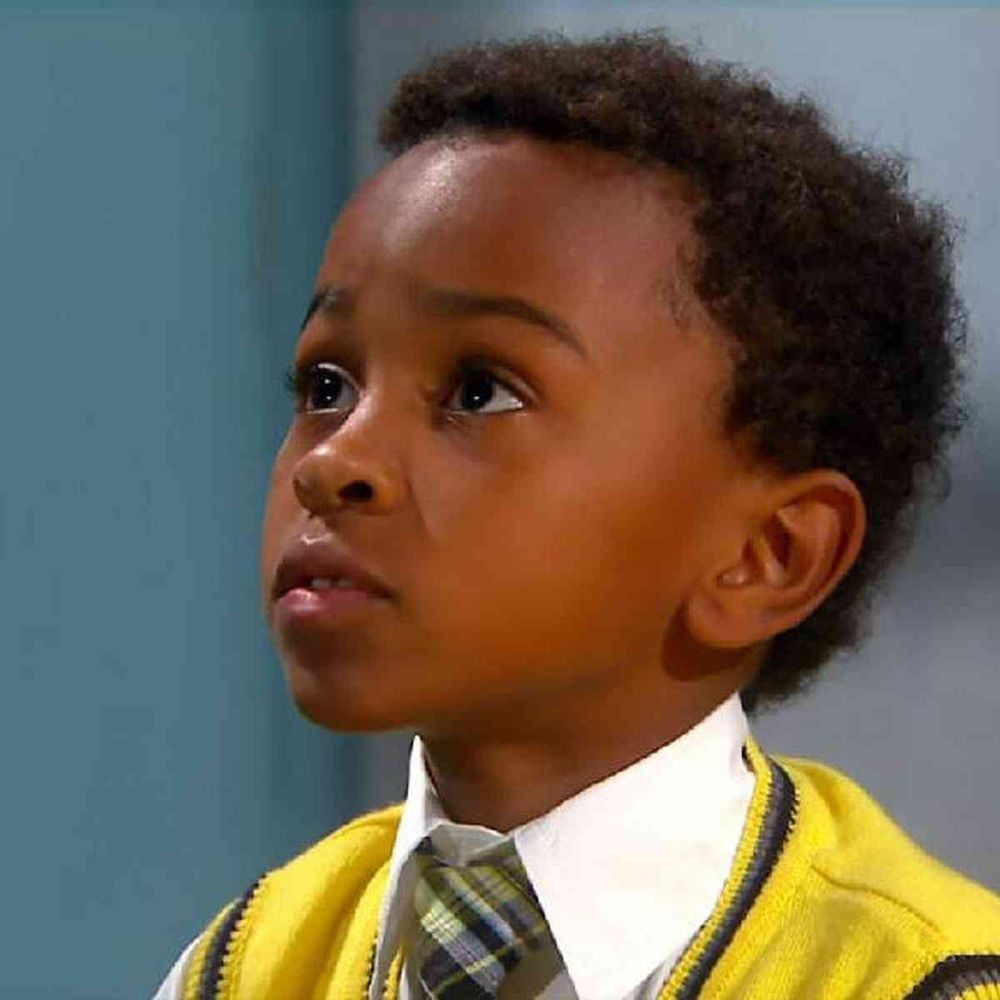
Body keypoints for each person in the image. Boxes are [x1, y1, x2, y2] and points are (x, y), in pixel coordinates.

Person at [154, 28, 1000, 1000]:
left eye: (480, 391)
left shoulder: (921, 981)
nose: (333, 461)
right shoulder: (245, 964)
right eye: (327, 385)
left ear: (766, 555)